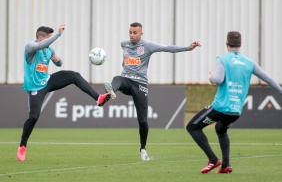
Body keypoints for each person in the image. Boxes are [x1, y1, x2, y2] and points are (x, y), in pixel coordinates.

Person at [186, 31, 282, 173]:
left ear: (227, 43)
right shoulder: (249, 62)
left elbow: (218, 80)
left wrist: (211, 78)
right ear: (240, 45)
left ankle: (213, 160)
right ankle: (226, 166)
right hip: (236, 110)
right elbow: (268, 79)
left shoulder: (222, 59)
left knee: (193, 127)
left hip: (220, 108)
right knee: (221, 130)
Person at [104, 22, 201, 161]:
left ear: (141, 33)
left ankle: (143, 149)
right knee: (116, 78)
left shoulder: (148, 45)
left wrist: (188, 48)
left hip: (140, 84)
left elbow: (167, 48)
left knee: (142, 121)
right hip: (126, 80)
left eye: (135, 32)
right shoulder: (123, 44)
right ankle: (110, 92)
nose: (131, 35)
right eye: (130, 32)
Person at [17, 24, 111, 162]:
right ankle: (22, 146)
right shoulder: (30, 47)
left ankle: (98, 98)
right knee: (34, 117)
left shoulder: (49, 49)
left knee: (74, 75)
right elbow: (40, 46)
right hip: (35, 87)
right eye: (48, 39)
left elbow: (59, 64)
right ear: (41, 38)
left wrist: (58, 60)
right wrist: (58, 35)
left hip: (48, 80)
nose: (50, 42)